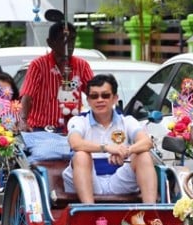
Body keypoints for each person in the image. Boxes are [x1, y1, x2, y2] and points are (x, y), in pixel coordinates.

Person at [64, 74, 157, 204]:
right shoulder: (79, 121)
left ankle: (151, 213)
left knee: (144, 155)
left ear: (115, 98)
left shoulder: (127, 121)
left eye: (105, 95)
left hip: (119, 180)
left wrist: (126, 151)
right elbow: (75, 143)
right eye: (94, 96)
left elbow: (147, 142)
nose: (100, 100)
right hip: (89, 179)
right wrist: (107, 148)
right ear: (88, 101)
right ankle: (88, 212)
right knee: (81, 155)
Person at [19, 21, 94, 132]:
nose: (69, 45)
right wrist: (23, 121)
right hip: (41, 129)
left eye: (72, 40)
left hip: (73, 129)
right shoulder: (38, 65)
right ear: (50, 43)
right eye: (63, 40)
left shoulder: (82, 66)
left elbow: (93, 92)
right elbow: (27, 96)